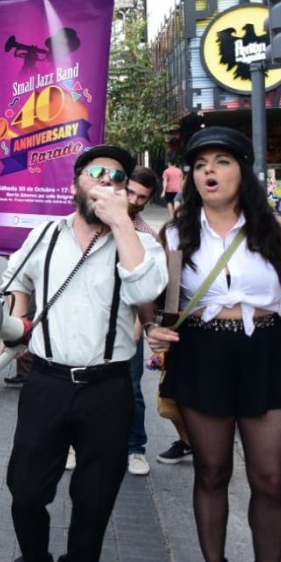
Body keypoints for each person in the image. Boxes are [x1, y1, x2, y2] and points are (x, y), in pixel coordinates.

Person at [147, 127, 281, 562]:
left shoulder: (278, 228)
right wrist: (152, 330)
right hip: (203, 352)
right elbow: (158, 304)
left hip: (266, 349)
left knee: (269, 481)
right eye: (201, 163)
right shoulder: (178, 231)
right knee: (211, 473)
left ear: (242, 171)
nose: (210, 171)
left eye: (222, 161)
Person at [0, 144, 166, 562]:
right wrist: (18, 320)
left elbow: (147, 290)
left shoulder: (141, 243)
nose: (106, 182)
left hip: (107, 388)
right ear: (76, 185)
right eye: (97, 174)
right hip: (46, 380)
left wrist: (124, 222)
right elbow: (16, 279)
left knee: (95, 495)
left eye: (117, 178)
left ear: (128, 193)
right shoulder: (46, 234)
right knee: (25, 489)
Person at [123, 165, 162, 478]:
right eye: (130, 191)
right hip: (88, 324)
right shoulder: (90, 224)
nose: (134, 199)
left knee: (131, 389)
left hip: (128, 326)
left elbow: (149, 291)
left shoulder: (147, 235)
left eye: (142, 197)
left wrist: (140, 327)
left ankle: (135, 448)